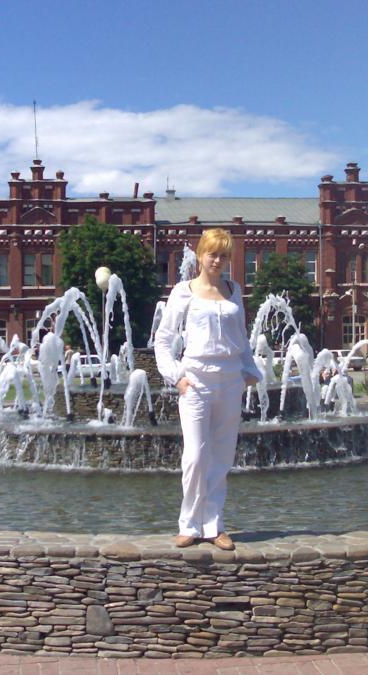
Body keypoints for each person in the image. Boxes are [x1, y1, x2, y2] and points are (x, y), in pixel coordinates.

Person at [153, 228, 262, 551]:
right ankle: (188, 524)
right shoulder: (183, 292)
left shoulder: (234, 290)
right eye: (212, 254)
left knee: (222, 456)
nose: (218, 260)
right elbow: (162, 339)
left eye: (224, 255)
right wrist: (176, 376)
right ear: (200, 255)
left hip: (230, 379)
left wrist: (249, 372)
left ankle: (214, 525)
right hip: (196, 379)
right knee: (196, 456)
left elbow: (241, 338)